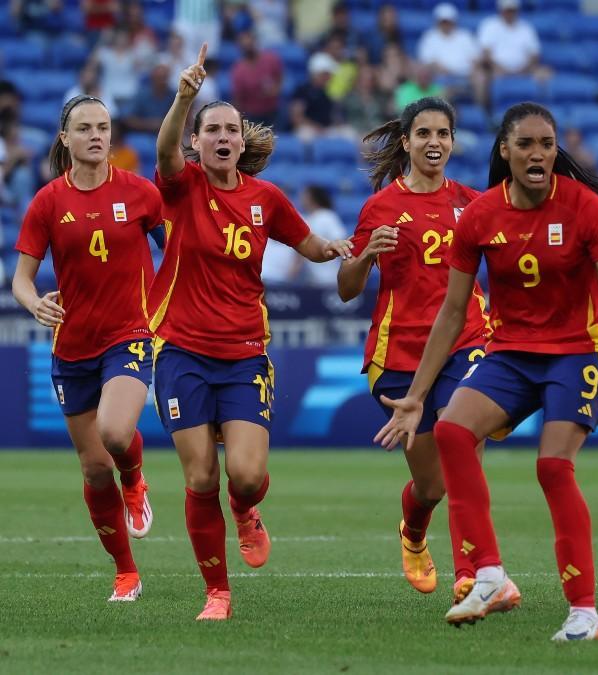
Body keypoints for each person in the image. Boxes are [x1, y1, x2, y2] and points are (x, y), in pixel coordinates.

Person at [376, 102, 598, 641]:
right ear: (506, 151)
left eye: (546, 144)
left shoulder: (586, 209)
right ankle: (489, 575)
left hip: (578, 353)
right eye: (526, 144)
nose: (537, 153)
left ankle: (584, 613)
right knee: (451, 429)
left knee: (552, 468)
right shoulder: (480, 217)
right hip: (513, 353)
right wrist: (417, 396)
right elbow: (452, 313)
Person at [150, 44, 352, 621]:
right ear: (197, 142)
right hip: (182, 351)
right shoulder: (182, 185)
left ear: (242, 141)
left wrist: (331, 250)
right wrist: (185, 97)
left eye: (229, 130)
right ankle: (217, 592)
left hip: (243, 355)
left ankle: (246, 510)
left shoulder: (266, 199)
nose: (220, 137)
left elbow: (307, 243)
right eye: (209, 129)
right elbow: (163, 151)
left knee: (246, 474)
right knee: (200, 475)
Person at [11, 95, 161, 603]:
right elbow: (21, 280)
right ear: (65, 138)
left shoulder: (141, 193)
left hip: (130, 333)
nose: (97, 135)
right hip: (71, 345)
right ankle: (126, 572)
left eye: (104, 127)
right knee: (94, 468)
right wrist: (34, 304)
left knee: (116, 434)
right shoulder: (48, 202)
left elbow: (182, 250)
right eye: (85, 128)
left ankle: (135, 480)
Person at [337, 97, 487, 603]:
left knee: (461, 442)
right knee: (432, 486)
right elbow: (346, 288)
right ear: (406, 142)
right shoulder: (380, 207)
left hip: (468, 343)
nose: (434, 143)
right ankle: (414, 531)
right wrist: (365, 256)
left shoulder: (473, 203)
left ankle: (471, 575)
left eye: (443, 134)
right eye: (424, 134)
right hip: (399, 355)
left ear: (453, 141)